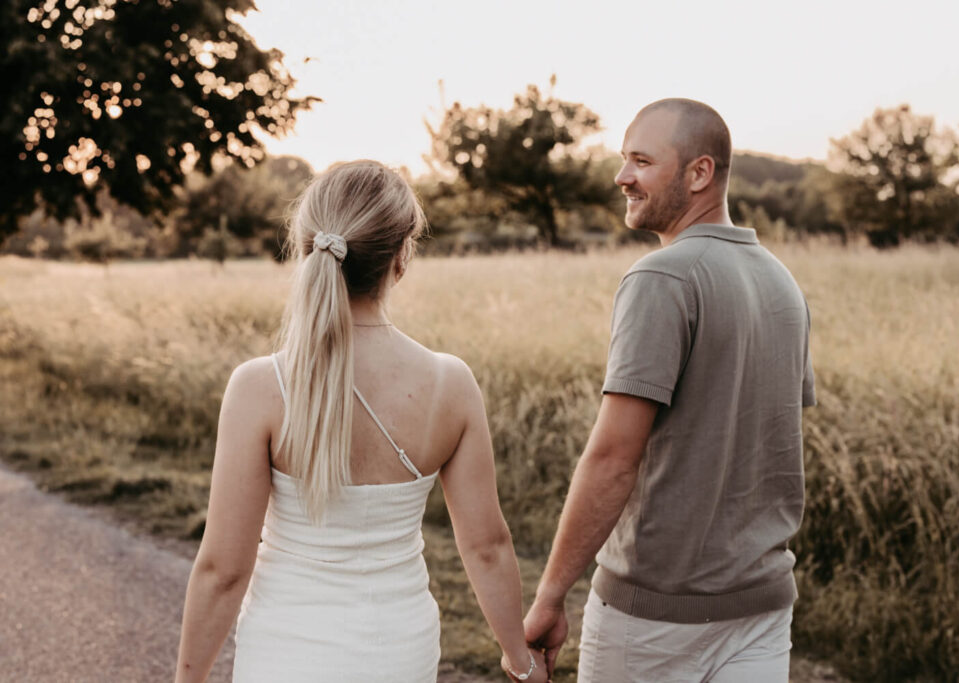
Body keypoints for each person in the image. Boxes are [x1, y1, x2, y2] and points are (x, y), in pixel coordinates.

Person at [175, 160, 546, 682]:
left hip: (286, 650)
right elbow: (487, 547)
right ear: (401, 259)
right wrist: (520, 660)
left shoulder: (260, 388)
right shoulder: (449, 383)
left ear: (305, 252)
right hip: (398, 647)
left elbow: (221, 571)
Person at [524, 99, 816, 682]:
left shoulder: (661, 276)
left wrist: (551, 595)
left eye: (641, 161)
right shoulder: (782, 282)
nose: (621, 176)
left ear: (699, 173)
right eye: (623, 159)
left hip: (655, 619)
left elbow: (612, 459)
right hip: (763, 606)